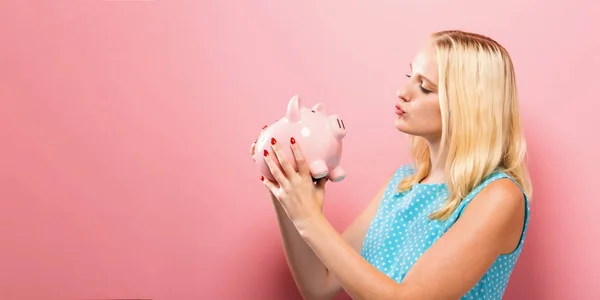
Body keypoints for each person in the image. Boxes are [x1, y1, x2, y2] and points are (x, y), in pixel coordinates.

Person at [249, 30, 532, 300]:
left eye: (424, 87)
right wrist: (282, 185)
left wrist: (309, 219)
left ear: (470, 105)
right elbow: (318, 285)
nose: (403, 91)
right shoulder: (403, 183)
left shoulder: (498, 197)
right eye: (410, 76)